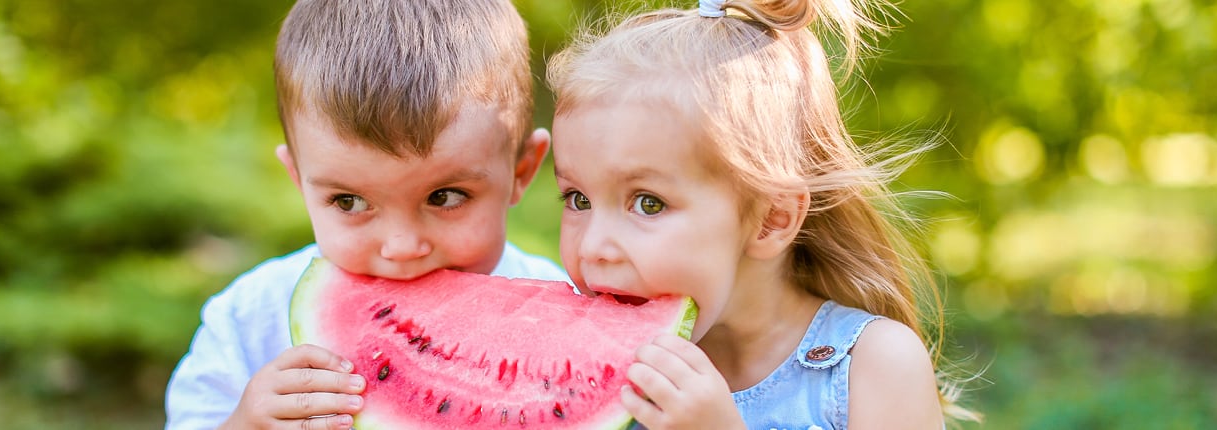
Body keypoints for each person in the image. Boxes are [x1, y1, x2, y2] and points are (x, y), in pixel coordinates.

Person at [547, 0, 978, 428]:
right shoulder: (587, 373)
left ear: (772, 217)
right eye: (578, 199)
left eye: (648, 203)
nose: (593, 247)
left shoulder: (876, 365)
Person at [164, 1, 569, 429]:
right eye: (349, 202)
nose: (402, 248)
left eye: (445, 196)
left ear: (521, 171)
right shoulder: (249, 321)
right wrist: (244, 424)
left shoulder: (562, 311)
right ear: (299, 179)